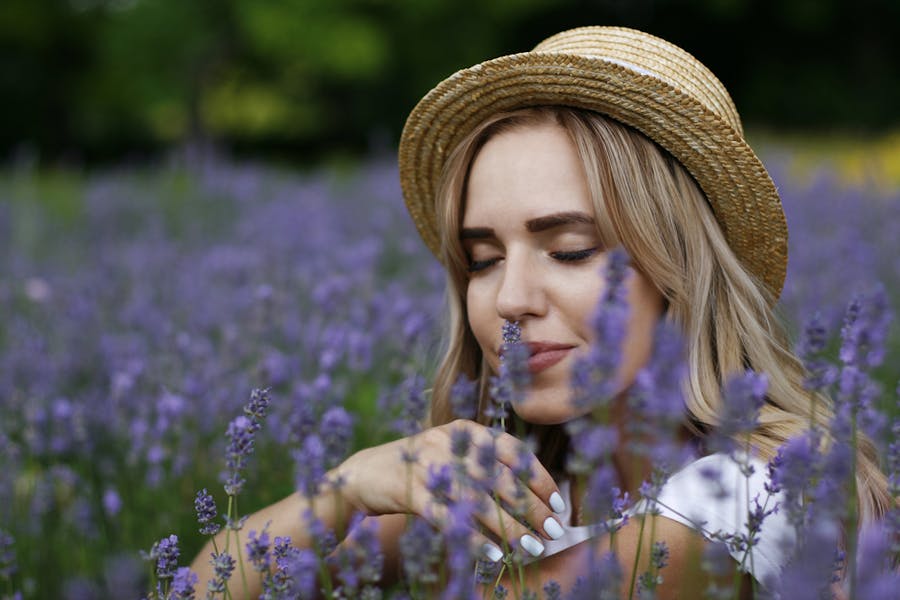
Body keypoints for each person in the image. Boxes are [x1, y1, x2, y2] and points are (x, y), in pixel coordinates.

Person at [190, 26, 890, 598]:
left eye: (571, 250)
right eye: (484, 259)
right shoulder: (531, 494)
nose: (512, 300)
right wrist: (347, 488)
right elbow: (197, 589)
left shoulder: (748, 492)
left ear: (678, 274)